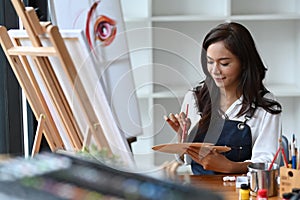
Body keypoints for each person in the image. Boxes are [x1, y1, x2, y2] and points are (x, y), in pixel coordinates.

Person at [164, 22, 282, 175]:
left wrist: (230, 167)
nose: (214, 70)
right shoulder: (194, 98)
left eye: (224, 63)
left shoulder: (265, 106)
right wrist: (182, 137)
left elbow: (267, 164)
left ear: (244, 63)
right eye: (210, 61)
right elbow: (184, 161)